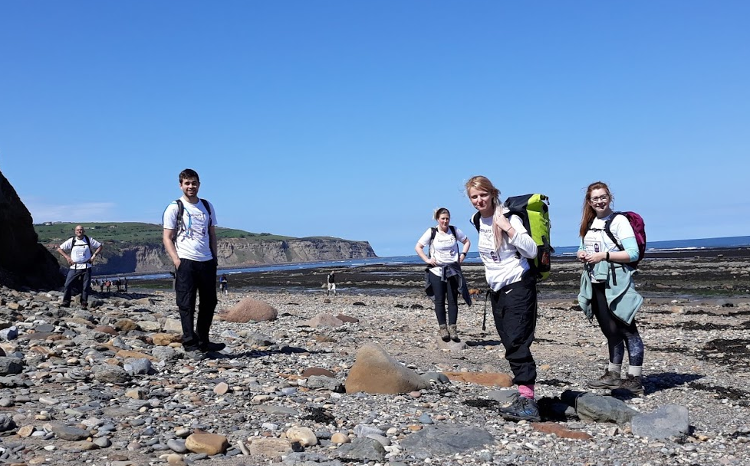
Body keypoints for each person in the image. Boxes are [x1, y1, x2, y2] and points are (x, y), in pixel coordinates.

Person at [465, 176, 540, 422]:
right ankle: (523, 396)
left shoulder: (510, 217)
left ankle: (528, 402)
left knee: (518, 342)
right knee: (509, 343)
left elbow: (531, 250)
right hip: (497, 290)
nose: (479, 200)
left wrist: (507, 227)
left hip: (518, 286)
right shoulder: (478, 220)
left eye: (482, 195)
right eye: (474, 197)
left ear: (492, 193)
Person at [577, 181, 645, 394]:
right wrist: (581, 254)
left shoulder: (619, 221)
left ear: (610, 197)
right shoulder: (588, 223)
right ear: (589, 201)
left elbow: (632, 253)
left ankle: (634, 378)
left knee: (627, 328)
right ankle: (613, 374)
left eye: (603, 196)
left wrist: (604, 256)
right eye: (595, 198)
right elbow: (583, 246)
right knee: (610, 330)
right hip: (595, 282)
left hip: (617, 283)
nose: (600, 201)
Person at [162, 168, 225, 354]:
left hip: (207, 261)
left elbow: (212, 233)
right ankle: (190, 343)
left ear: (199, 184)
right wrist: (176, 260)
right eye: (187, 183)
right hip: (186, 261)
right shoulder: (175, 207)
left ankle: (203, 340)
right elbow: (167, 237)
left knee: (209, 302)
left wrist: (214, 257)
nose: (191, 186)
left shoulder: (206, 205)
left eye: (194, 183)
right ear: (181, 185)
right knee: (186, 302)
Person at [415, 207, 471, 342]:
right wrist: (428, 260)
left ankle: (453, 328)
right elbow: (418, 247)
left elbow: (467, 242)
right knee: (439, 300)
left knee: (453, 300)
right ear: (438, 219)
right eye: (442, 219)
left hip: (452, 270)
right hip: (436, 271)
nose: (445, 221)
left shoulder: (454, 230)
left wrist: (462, 255)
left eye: (447, 219)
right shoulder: (432, 232)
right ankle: (443, 329)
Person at [56, 225, 103, 310]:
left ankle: (84, 303)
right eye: (77, 230)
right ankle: (66, 302)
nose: (79, 231)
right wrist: (67, 257)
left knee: (85, 286)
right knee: (67, 284)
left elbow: (100, 246)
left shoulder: (89, 240)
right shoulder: (72, 241)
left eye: (81, 230)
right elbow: (59, 249)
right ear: (75, 231)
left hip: (86, 266)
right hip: (74, 267)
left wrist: (94, 256)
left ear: (84, 231)